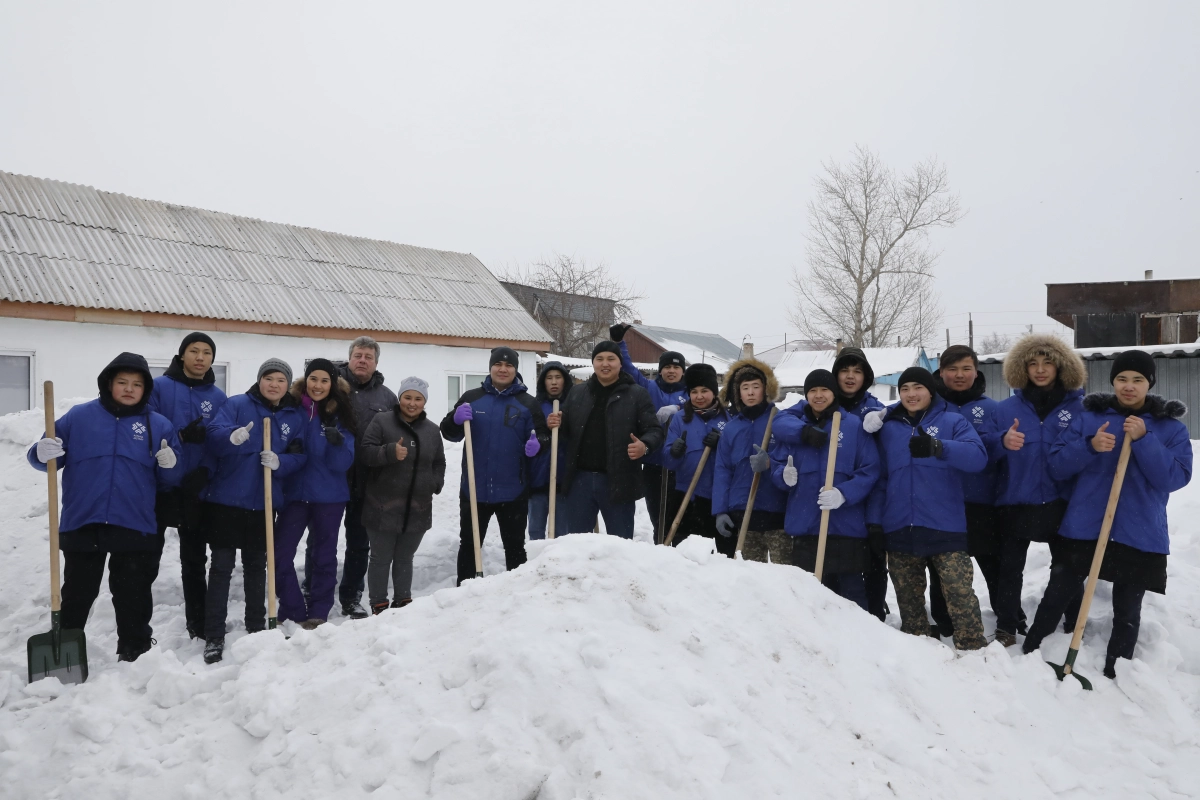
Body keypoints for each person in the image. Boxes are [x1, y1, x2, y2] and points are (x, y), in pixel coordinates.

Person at [1025, 351, 1191, 679]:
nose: (1129, 386)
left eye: (1138, 380)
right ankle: (1031, 650)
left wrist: (1145, 440)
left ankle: (1118, 669)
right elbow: (1057, 466)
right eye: (1122, 379)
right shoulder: (1089, 419)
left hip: (1138, 529)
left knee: (1128, 607)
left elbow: (1174, 478)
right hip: (1086, 524)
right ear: (1113, 381)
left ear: (1150, 383)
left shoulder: (1169, 428)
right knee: (1058, 590)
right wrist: (1089, 446)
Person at [28, 353, 182, 662]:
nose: (129, 389)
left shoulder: (158, 424)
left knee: (132, 593)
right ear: (108, 384)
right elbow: (45, 457)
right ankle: (66, 652)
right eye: (122, 382)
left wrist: (171, 464)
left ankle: (134, 650)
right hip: (84, 518)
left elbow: (171, 480)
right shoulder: (79, 417)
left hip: (133, 521)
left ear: (145, 389)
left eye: (136, 384)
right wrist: (40, 453)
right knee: (77, 592)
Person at [875, 367, 988, 651]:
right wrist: (876, 522)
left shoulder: (953, 421)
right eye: (904, 389)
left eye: (918, 387)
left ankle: (974, 651)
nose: (911, 394)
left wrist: (940, 446)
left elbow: (978, 458)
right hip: (900, 526)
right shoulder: (888, 428)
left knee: (960, 594)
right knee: (909, 602)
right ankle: (920, 656)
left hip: (944, 525)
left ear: (930, 390)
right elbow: (879, 478)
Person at [202, 358, 306, 663]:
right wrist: (230, 437)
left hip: (263, 504)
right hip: (226, 501)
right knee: (221, 569)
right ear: (259, 380)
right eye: (268, 378)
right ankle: (214, 634)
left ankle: (257, 625)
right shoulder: (237, 405)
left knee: (256, 568)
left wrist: (281, 462)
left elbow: (300, 456)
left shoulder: (293, 417)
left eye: (281, 380)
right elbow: (214, 434)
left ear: (288, 385)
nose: (274, 385)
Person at [987, 334, 1087, 647]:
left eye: (1048, 363)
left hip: (1062, 502)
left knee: (1067, 569)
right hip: (1015, 500)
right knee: (1009, 570)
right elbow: (981, 452)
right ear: (1023, 369)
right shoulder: (1004, 410)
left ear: (1062, 367)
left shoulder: (1082, 409)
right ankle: (1006, 626)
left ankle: (1073, 623)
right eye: (1033, 363)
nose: (1040, 370)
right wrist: (1000, 443)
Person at [771, 369, 880, 608]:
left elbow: (870, 469)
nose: (818, 395)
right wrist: (783, 476)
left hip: (845, 528)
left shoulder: (853, 427)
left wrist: (844, 493)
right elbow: (777, 463)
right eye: (812, 390)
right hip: (806, 525)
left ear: (834, 393)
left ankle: (857, 641)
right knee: (810, 598)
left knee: (851, 597)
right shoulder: (796, 428)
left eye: (824, 390)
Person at [305, 336, 397, 619]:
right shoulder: (332, 386)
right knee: (321, 538)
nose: (362, 361)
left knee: (359, 541)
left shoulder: (387, 397)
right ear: (349, 358)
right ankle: (313, 586)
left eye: (369, 357)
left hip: (367, 480)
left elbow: (395, 435)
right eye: (358, 355)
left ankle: (351, 595)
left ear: (376, 363)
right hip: (331, 477)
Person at [441, 347, 548, 585]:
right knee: (469, 545)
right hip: (474, 489)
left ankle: (514, 592)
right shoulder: (472, 397)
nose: (503, 369)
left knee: (515, 548)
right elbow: (449, 433)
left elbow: (543, 436)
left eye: (508, 365)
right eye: (498, 364)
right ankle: (464, 592)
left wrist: (538, 444)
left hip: (513, 491)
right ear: (490, 367)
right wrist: (454, 421)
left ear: (515, 370)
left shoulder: (527, 403)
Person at [146, 332, 227, 640]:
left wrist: (205, 470)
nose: (200, 357)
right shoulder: (159, 387)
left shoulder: (217, 397)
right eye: (194, 350)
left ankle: (199, 622)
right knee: (146, 560)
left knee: (194, 560)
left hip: (195, 488)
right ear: (182, 355)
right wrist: (179, 438)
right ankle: (137, 629)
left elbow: (219, 440)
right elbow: (147, 428)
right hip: (159, 486)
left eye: (207, 352)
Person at [546, 341, 664, 539]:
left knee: (619, 544)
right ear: (593, 363)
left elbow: (654, 430)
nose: (605, 364)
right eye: (599, 359)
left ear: (620, 363)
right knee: (577, 543)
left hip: (619, 480)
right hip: (580, 481)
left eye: (611, 358)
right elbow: (565, 429)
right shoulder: (577, 393)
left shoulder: (636, 395)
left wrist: (644, 445)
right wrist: (556, 422)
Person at [274, 359, 356, 629]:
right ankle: (293, 608)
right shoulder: (291, 410)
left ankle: (319, 610)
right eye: (313, 379)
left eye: (324, 380)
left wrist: (337, 443)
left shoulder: (341, 414)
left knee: (323, 556)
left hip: (329, 498)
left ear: (332, 384)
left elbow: (343, 464)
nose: (318, 385)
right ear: (305, 381)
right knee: (279, 555)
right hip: (294, 496)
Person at [927, 345, 1002, 639]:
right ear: (941, 372)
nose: (959, 375)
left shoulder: (993, 409)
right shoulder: (929, 407)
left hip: (981, 501)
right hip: (941, 501)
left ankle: (1005, 613)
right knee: (940, 566)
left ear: (976, 371)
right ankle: (943, 619)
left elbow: (1000, 452)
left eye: (966, 368)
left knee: (992, 562)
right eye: (952, 369)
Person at [360, 377, 446, 614]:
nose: (412, 403)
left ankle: (403, 601)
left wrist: (434, 483)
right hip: (382, 505)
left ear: (424, 402)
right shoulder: (382, 421)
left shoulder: (432, 430)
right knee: (380, 557)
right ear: (400, 398)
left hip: (418, 507)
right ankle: (378, 603)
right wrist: (389, 452)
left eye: (418, 399)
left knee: (405, 557)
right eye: (408, 397)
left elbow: (439, 462)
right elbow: (365, 452)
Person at [609, 323, 688, 540]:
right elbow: (628, 368)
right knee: (659, 521)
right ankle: (660, 555)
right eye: (667, 367)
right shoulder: (648, 388)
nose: (671, 371)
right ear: (660, 369)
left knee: (680, 521)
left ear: (682, 371)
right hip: (653, 463)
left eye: (676, 367)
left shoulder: (691, 394)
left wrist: (680, 408)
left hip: (681, 465)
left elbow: (706, 407)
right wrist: (619, 343)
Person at [712, 356, 788, 563]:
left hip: (777, 512)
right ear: (738, 392)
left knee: (786, 578)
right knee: (752, 580)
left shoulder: (779, 421)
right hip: (743, 513)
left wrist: (771, 463)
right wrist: (720, 510)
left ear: (766, 389)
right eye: (745, 388)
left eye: (756, 386)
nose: (751, 392)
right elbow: (722, 470)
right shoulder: (731, 428)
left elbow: (792, 460)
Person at [838, 348, 891, 621]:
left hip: (871, 498)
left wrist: (884, 418)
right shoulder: (823, 404)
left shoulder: (875, 410)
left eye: (857, 371)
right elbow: (787, 417)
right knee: (839, 565)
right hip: (835, 501)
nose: (850, 376)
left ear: (866, 376)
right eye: (845, 370)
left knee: (873, 561)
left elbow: (881, 466)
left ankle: (874, 614)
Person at [661, 363, 731, 554]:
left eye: (705, 390)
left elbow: (733, 460)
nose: (699, 396)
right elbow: (667, 461)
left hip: (714, 498)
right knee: (679, 550)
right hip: (684, 495)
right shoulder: (680, 419)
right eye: (694, 391)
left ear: (714, 392)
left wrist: (721, 444)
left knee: (712, 555)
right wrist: (674, 452)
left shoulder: (728, 420)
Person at [527, 362, 572, 540]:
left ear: (564, 381)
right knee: (536, 531)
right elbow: (528, 434)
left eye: (558, 377)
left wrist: (565, 426)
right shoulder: (534, 406)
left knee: (562, 533)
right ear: (543, 382)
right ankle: (537, 565)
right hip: (538, 480)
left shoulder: (573, 405)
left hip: (564, 482)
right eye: (549, 378)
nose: (554, 382)